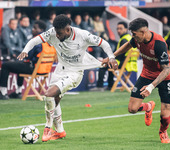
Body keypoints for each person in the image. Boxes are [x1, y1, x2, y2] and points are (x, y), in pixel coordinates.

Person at [17, 14, 118, 142]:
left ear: (68, 29)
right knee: (55, 100)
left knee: (49, 95)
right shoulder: (53, 32)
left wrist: (112, 57)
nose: (57, 36)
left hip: (75, 73)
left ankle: (47, 127)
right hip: (60, 70)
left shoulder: (83, 35)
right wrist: (26, 50)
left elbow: (104, 43)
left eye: (59, 33)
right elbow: (35, 40)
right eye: (56, 33)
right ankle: (60, 131)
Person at [103, 18, 170, 143]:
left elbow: (166, 70)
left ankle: (163, 131)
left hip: (165, 77)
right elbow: (127, 45)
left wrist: (150, 87)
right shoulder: (138, 39)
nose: (133, 37)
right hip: (147, 74)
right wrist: (112, 56)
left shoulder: (158, 43)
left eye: (134, 34)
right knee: (132, 109)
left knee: (165, 113)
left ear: (143, 32)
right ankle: (148, 106)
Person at [0, 20, 55, 100]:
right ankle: (18, 92)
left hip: (33, 68)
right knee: (20, 64)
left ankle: (3, 93)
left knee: (5, 65)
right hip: (44, 70)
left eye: (35, 28)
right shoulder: (49, 41)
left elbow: (27, 56)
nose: (32, 29)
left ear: (41, 30)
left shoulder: (36, 41)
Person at [91, 21, 137, 91]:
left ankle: (99, 86)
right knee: (111, 64)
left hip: (123, 64)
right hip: (130, 64)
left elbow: (120, 55)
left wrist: (108, 60)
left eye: (120, 28)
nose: (118, 30)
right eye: (117, 29)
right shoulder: (129, 38)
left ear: (126, 29)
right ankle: (110, 85)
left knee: (103, 65)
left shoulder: (124, 39)